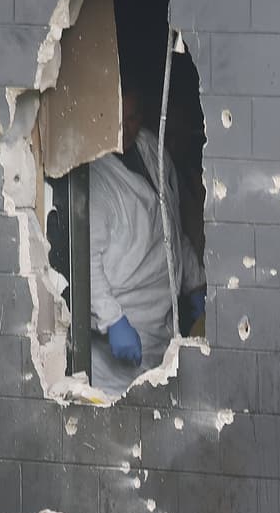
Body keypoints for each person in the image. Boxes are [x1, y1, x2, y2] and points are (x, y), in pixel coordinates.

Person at [88, 88, 206, 396]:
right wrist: (113, 321)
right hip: (118, 346)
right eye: (117, 117)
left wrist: (195, 283)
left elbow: (170, 226)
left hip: (161, 334)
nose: (124, 129)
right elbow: (86, 259)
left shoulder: (152, 149)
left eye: (133, 118)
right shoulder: (92, 174)